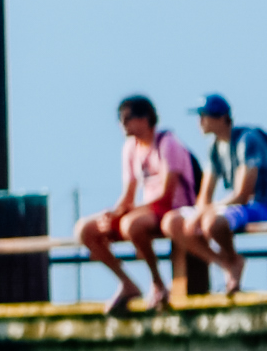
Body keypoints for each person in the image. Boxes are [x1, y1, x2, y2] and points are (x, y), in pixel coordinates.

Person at [78, 94, 200, 314]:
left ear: (145, 119)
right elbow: (129, 193)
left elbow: (166, 195)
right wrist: (113, 214)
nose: (123, 124)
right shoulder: (130, 148)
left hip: (173, 209)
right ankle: (127, 283)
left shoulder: (168, 143)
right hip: (146, 210)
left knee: (131, 225)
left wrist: (127, 213)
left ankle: (157, 283)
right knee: (86, 229)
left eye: (128, 118)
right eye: (121, 119)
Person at [173, 94, 267, 295]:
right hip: (240, 206)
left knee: (213, 223)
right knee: (174, 222)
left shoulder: (247, 141)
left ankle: (233, 260)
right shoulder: (214, 146)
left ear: (222, 117)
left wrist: (206, 213)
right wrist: (199, 212)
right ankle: (224, 263)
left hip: (265, 206)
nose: (200, 122)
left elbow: (242, 194)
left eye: (204, 116)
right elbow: (205, 195)